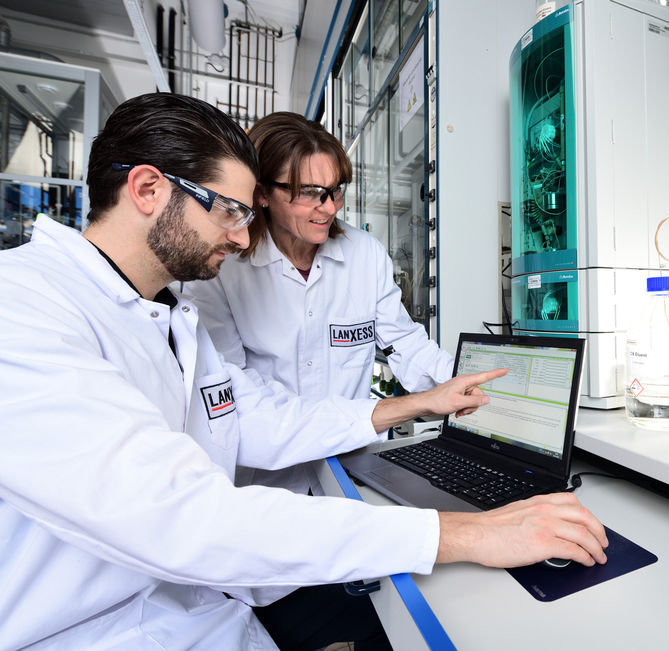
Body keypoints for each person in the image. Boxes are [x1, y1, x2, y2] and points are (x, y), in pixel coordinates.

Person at [0, 93, 607, 650]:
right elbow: (181, 516)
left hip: (204, 605)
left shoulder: (166, 315)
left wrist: (425, 400)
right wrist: (466, 534)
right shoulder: (24, 307)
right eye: (229, 210)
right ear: (148, 189)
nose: (243, 239)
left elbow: (255, 417)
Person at [183, 111, 454, 496]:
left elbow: (405, 343)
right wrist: (409, 407)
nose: (328, 208)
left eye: (334, 190)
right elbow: (235, 396)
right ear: (262, 193)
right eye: (309, 192)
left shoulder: (364, 254)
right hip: (269, 483)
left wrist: (461, 381)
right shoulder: (223, 269)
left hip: (354, 469)